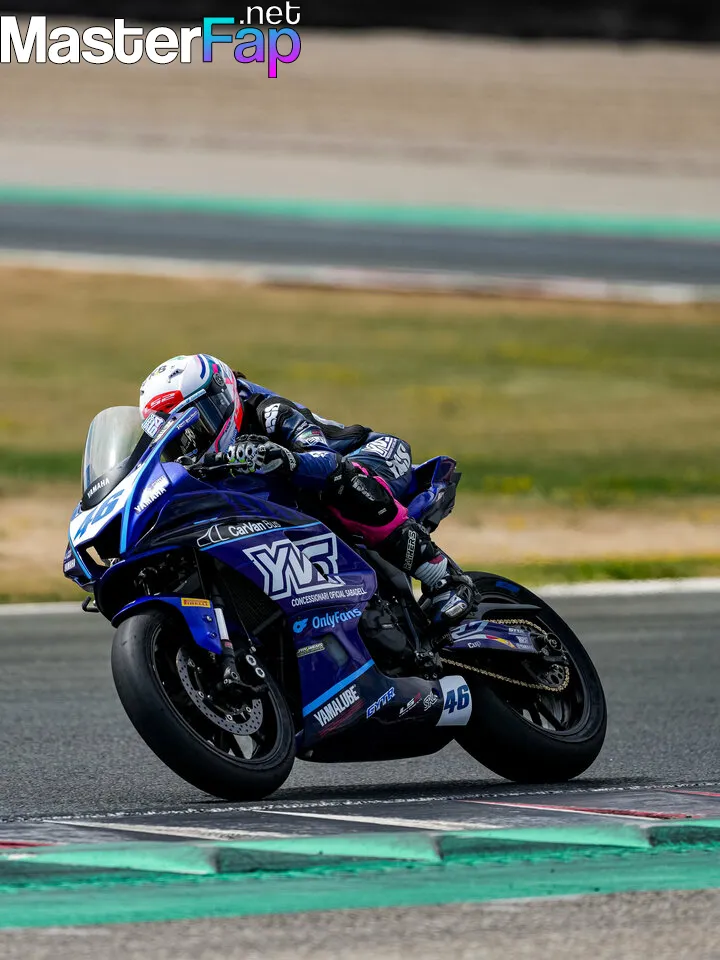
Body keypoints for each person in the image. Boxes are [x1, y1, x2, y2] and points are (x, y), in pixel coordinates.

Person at [139, 354, 474, 631]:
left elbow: (325, 460)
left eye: (199, 423)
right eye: (178, 437)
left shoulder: (269, 411)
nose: (192, 441)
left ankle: (445, 576)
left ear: (224, 396)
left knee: (339, 484)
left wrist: (285, 458)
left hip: (371, 455)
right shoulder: (200, 465)